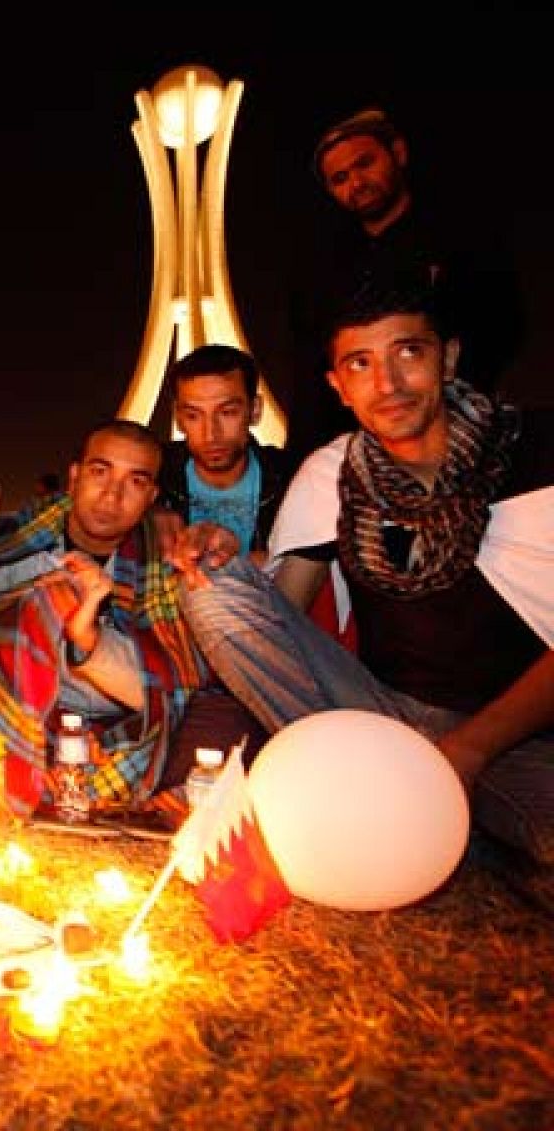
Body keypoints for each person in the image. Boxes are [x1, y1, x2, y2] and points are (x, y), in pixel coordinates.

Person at [176, 268, 554, 906]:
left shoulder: (535, 457)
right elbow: (273, 621)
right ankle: (416, 812)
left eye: (407, 352)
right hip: (379, 717)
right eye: (359, 363)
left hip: (511, 732)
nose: (387, 384)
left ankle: (466, 831)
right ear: (338, 385)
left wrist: (467, 750)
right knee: (211, 589)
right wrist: (229, 564)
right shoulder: (334, 476)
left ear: (448, 357)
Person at [0, 420, 258, 822]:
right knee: (46, 598)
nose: (112, 495)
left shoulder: (168, 564)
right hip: (12, 718)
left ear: (151, 497)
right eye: (100, 472)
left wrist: (90, 641)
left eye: (134, 482)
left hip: (122, 736)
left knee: (226, 725)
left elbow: (174, 687)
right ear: (75, 476)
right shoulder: (9, 545)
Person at [286, 107, 526, 461]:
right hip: (357, 451)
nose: (356, 182)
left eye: (365, 163)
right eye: (340, 178)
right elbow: (310, 372)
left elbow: (500, 331)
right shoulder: (324, 270)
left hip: (459, 437)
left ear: (397, 153)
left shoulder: (462, 240)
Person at [157, 345, 292, 561]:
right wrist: (149, 511)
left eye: (227, 413)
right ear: (178, 417)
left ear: (255, 410)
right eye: (193, 415)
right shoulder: (152, 474)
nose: (211, 434)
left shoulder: (293, 478)